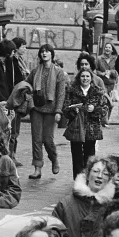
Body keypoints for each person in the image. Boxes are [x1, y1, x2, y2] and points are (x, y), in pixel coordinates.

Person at [53, 156, 118, 237]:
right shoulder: (65, 205)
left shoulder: (111, 210)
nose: (99, 176)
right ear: (87, 174)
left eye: (105, 174)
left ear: (109, 179)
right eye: (96, 171)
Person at [25, 45, 67, 178]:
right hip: (36, 109)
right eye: (42, 51)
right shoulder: (35, 71)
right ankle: (37, 168)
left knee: (47, 139)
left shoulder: (59, 72)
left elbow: (61, 93)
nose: (44, 54)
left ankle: (54, 159)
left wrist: (58, 111)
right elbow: (26, 85)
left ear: (52, 54)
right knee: (36, 139)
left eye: (47, 51)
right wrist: (28, 96)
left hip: (51, 110)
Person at [62, 68, 108, 178]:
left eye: (87, 76)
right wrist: (73, 110)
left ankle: (89, 178)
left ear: (91, 78)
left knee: (90, 156)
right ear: (79, 78)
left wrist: (95, 109)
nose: (85, 78)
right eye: (83, 76)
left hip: (92, 128)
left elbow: (104, 109)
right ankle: (78, 179)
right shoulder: (72, 90)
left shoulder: (97, 91)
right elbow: (65, 108)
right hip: (76, 127)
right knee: (76, 154)